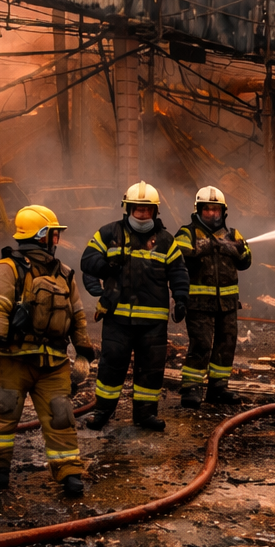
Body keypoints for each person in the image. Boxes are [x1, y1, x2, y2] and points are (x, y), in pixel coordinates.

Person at [0, 205, 94, 497]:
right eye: (54, 235)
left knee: (62, 417)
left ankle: (70, 473)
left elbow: (77, 315)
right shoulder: (6, 268)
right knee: (2, 417)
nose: (57, 241)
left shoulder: (65, 274)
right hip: (14, 359)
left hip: (54, 363)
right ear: (41, 236)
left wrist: (83, 351)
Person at [79, 182, 189, 431]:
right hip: (117, 319)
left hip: (153, 323)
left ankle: (145, 415)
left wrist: (181, 299)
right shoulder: (110, 233)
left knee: (151, 370)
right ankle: (102, 413)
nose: (142, 215)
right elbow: (87, 259)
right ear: (127, 208)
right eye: (137, 210)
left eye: (147, 210)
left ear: (155, 212)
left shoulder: (165, 241)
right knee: (111, 366)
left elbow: (179, 272)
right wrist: (107, 264)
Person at [174, 186, 252, 408]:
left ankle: (218, 387)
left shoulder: (233, 235)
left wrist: (237, 250)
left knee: (226, 345)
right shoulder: (186, 233)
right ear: (198, 210)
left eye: (215, 210)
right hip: (199, 305)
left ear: (223, 212)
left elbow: (246, 261)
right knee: (201, 345)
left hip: (227, 305)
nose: (211, 214)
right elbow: (179, 254)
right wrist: (205, 246)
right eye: (206, 209)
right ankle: (191, 388)